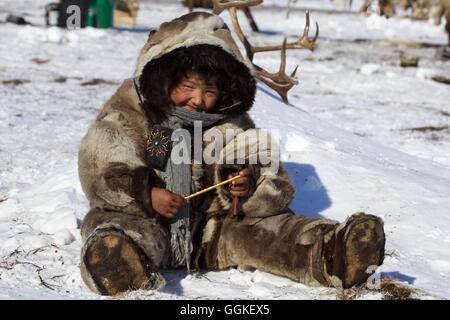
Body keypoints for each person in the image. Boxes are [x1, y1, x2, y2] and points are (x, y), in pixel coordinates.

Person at [78, 12, 386, 296]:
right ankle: (118, 263)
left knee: (266, 234)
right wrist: (147, 193)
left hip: (212, 230)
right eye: (188, 86)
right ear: (165, 77)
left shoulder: (231, 123)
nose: (198, 100)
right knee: (120, 227)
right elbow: (101, 168)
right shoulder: (131, 110)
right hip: (149, 220)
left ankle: (333, 252)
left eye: (209, 92)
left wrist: (245, 185)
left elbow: (270, 177)